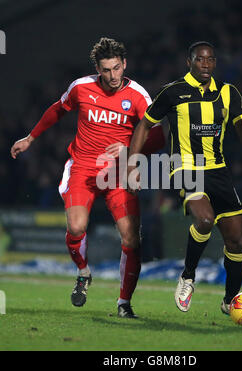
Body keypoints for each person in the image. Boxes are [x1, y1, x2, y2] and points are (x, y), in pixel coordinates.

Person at [10, 37, 165, 318]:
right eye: (106, 70)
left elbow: (158, 137)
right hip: (83, 167)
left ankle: (124, 304)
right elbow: (58, 109)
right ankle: (83, 272)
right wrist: (31, 138)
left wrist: (130, 149)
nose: (113, 76)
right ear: (97, 68)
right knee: (77, 226)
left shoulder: (140, 96)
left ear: (124, 64)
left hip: (118, 172)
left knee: (131, 238)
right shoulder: (81, 87)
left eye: (117, 68)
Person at [127, 41, 242, 315]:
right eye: (200, 59)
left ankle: (230, 301)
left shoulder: (227, 92)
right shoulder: (172, 92)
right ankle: (187, 277)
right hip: (185, 166)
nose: (206, 64)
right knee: (205, 219)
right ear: (189, 62)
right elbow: (145, 124)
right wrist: (132, 162)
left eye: (210, 59)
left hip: (218, 170)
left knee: (237, 241)